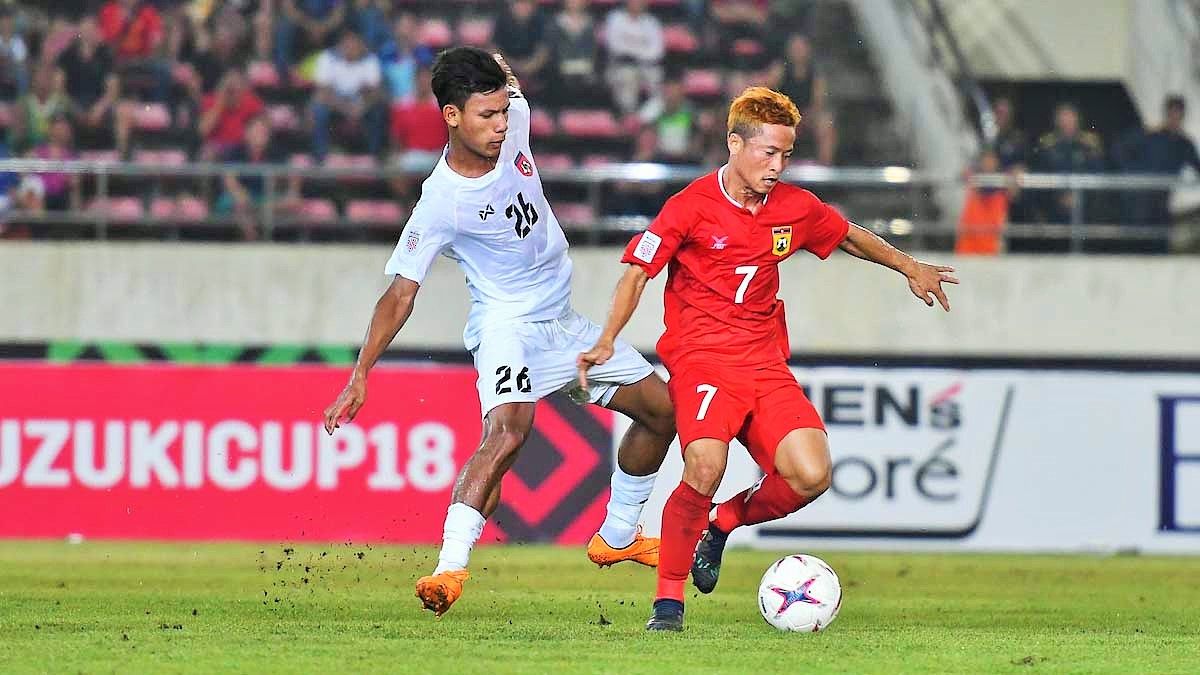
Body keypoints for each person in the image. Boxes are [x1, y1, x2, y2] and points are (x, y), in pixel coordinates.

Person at [578, 87, 958, 631]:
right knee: (705, 465)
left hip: (764, 364)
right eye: (767, 153)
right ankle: (668, 605)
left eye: (785, 154)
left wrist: (909, 266)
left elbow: (847, 235)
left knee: (812, 473)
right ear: (734, 143)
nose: (777, 166)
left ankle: (723, 523)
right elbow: (638, 271)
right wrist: (610, 337)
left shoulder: (793, 207)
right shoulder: (689, 207)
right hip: (703, 361)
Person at [321, 48, 677, 618]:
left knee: (666, 412)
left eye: (503, 112)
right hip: (507, 326)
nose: (502, 127)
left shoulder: (514, 123)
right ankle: (447, 570)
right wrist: (361, 374)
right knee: (511, 431)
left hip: (564, 323)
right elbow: (400, 293)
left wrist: (498, 70)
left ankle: (617, 535)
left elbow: (507, 87)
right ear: (451, 117)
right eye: (486, 116)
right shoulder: (441, 201)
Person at [1113, 95, 1200, 254]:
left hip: (1161, 205)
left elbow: (1197, 166)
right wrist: (1134, 174)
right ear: (1166, 114)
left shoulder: (1184, 143)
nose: (1175, 119)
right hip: (1139, 202)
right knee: (1135, 249)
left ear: (1183, 117)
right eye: (1172, 114)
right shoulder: (1150, 135)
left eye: (1178, 115)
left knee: (1160, 249)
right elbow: (1119, 150)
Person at [309, 28, 387, 160]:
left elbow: (376, 93)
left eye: (355, 42)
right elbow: (322, 93)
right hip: (336, 105)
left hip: (360, 105)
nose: (351, 46)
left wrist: (361, 107)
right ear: (341, 43)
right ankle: (320, 156)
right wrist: (345, 108)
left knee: (379, 109)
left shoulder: (369, 60)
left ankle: (374, 156)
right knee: (319, 110)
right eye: (348, 42)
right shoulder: (328, 58)